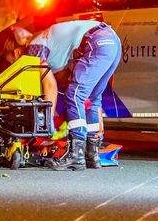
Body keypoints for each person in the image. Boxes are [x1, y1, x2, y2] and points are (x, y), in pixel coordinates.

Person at [23, 18, 122, 170]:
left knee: (75, 95)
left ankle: (76, 154)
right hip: (112, 41)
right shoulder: (54, 43)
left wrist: (46, 125)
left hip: (96, 43)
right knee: (92, 99)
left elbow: (50, 85)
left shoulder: (34, 47)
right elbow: (64, 79)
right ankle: (92, 154)